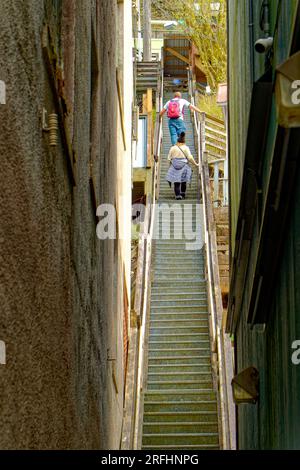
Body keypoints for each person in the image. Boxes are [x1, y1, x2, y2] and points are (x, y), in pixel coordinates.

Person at [166, 132, 199, 200]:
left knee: (176, 182)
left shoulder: (173, 148)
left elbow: (169, 158)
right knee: (183, 180)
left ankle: (177, 195)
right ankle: (183, 193)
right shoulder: (186, 148)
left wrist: (168, 167)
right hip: (184, 166)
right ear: (184, 142)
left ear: (177, 142)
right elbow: (189, 157)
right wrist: (196, 164)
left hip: (174, 166)